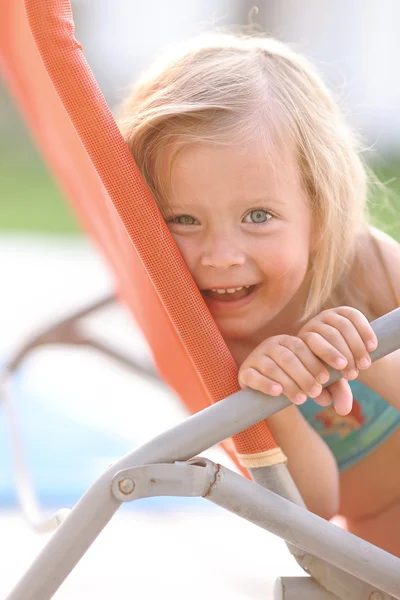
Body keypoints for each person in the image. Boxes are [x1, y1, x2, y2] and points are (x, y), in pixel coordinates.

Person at [117, 32, 400, 556]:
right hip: (373, 534)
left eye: (258, 217)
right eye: (182, 219)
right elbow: (314, 508)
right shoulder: (218, 349)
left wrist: (364, 352)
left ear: (319, 210)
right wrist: (272, 401)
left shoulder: (370, 265)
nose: (221, 255)